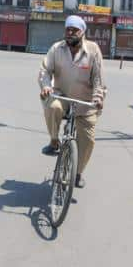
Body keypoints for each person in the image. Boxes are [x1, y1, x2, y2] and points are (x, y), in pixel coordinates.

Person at [38, 15, 106, 189]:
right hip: (62, 95)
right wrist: (46, 86)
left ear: (83, 32)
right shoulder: (56, 48)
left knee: (89, 141)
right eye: (68, 30)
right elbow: (45, 71)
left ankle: (78, 172)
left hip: (85, 101)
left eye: (74, 30)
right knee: (52, 106)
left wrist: (98, 98)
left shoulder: (93, 50)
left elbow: (99, 79)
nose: (70, 33)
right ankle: (54, 141)